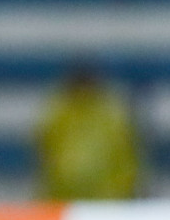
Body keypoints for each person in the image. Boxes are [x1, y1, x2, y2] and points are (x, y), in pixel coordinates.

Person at [34, 66, 144, 201]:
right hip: (65, 201)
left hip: (108, 203)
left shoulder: (113, 117)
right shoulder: (57, 116)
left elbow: (129, 164)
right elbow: (44, 159)